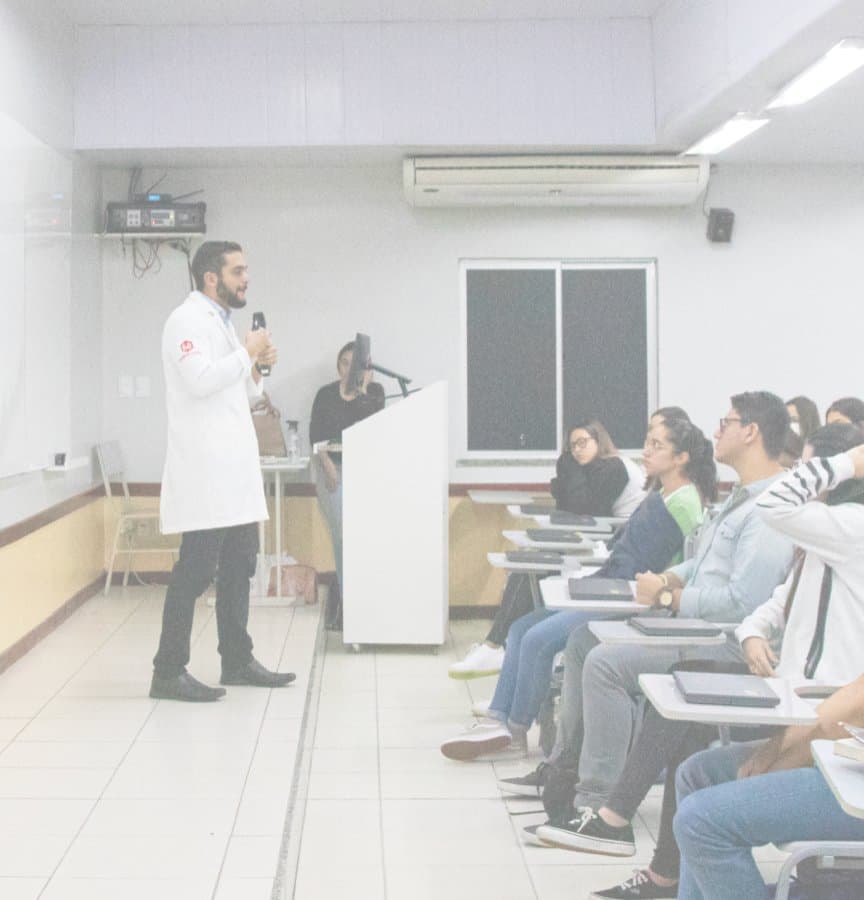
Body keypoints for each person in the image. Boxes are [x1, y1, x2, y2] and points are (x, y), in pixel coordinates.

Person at [536, 426, 864, 899]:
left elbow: (842, 711)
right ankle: (654, 865)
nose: (802, 476)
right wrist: (752, 632)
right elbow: (778, 598)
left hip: (839, 759)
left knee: (702, 818)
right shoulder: (828, 534)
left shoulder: (847, 528)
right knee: (696, 771)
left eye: (809, 469)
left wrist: (848, 460)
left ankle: (608, 811)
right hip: (814, 721)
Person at [507, 392, 795, 814]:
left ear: (750, 432)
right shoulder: (741, 497)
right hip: (697, 625)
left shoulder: (770, 508)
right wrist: (669, 577)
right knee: (583, 639)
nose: (716, 431)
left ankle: (595, 802)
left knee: (606, 664)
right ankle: (563, 769)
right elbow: (704, 561)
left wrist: (668, 596)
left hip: (724, 641)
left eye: (726, 422)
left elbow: (742, 602)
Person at [441, 416, 714, 761]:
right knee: (521, 627)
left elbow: (682, 564)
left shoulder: (686, 501)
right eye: (647, 442)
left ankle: (514, 729)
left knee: (539, 639)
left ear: (681, 457)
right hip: (617, 585)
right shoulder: (662, 491)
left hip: (634, 601)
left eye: (656, 445)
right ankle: (498, 718)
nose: (646, 450)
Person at [150, 241, 295, 702]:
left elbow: (239, 394)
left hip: (233, 473)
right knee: (195, 570)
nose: (246, 278)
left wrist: (259, 371)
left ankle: (236, 659)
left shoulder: (223, 324)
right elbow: (199, 381)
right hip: (205, 473)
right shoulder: (186, 320)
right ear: (211, 277)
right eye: (238, 270)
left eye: (246, 269)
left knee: (239, 566)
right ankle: (167, 671)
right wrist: (246, 355)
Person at [448, 419, 640, 679]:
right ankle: (499, 649)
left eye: (583, 442)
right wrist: (570, 468)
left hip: (614, 549)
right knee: (528, 564)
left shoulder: (615, 467)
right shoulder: (593, 469)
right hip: (600, 540)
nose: (577, 450)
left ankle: (496, 647)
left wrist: (568, 467)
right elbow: (570, 506)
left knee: (531, 566)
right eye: (572, 446)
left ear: (600, 441)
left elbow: (585, 510)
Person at [674, 673, 864, 900]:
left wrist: (787, 756)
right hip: (850, 755)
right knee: (699, 773)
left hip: (855, 784)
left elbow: (857, 707)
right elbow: (856, 693)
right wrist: (781, 745)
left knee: (699, 820)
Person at [309, 341, 385, 623]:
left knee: (363, 537)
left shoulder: (375, 393)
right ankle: (346, 599)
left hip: (366, 474)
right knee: (343, 536)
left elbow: (376, 430)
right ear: (338, 366)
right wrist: (328, 465)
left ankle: (354, 598)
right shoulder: (326, 394)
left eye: (356, 363)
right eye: (345, 362)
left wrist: (364, 391)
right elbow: (315, 435)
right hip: (333, 470)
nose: (349, 368)